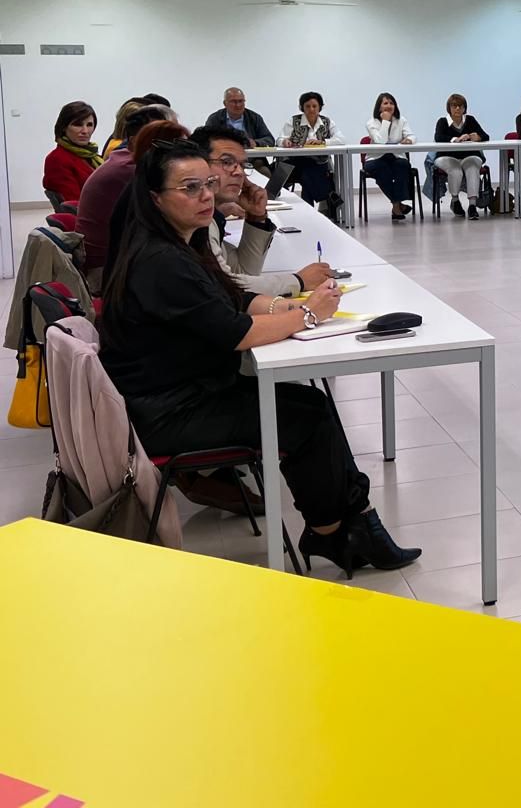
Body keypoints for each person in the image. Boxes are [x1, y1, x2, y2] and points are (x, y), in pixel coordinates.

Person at [98, 140, 420, 575]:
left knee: (312, 404)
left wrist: (286, 309)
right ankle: (335, 530)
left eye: (208, 184)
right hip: (168, 412)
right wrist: (306, 315)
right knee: (305, 420)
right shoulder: (161, 262)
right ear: (155, 198)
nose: (207, 195)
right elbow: (237, 333)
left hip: (181, 391)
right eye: (190, 187)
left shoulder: (177, 243)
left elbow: (231, 297)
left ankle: (349, 523)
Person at [190, 125, 334, 297]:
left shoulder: (213, 217)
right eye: (227, 162)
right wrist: (299, 281)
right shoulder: (192, 219)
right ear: (197, 165)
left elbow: (244, 271)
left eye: (242, 165)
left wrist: (256, 218)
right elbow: (226, 287)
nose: (239, 173)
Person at [77, 104, 177, 279]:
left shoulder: (126, 158)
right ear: (134, 141)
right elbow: (174, 221)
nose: (173, 146)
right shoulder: (133, 169)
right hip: (108, 270)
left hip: (113, 258)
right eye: (160, 138)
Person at [274, 92, 344, 217]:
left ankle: (309, 212)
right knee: (308, 169)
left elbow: (341, 140)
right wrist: (285, 141)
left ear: (320, 107)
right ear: (302, 107)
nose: (311, 109)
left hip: (319, 163)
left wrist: (322, 142)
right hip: (296, 162)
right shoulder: (293, 121)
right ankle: (326, 198)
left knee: (307, 173)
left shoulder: (327, 122)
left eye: (314, 106)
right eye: (307, 106)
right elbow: (279, 140)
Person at [434, 93, 488, 219]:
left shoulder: (470, 120)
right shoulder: (442, 122)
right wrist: (455, 139)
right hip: (447, 157)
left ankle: (472, 206)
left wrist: (476, 137)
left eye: (460, 106)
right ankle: (455, 201)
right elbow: (438, 138)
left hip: (469, 156)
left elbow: (485, 136)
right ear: (449, 108)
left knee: (473, 167)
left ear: (464, 108)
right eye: (454, 106)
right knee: (455, 170)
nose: (457, 109)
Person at [364, 92, 417, 221]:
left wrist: (409, 140)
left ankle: (396, 205)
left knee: (403, 165)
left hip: (395, 156)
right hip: (376, 158)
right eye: (385, 103)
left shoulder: (401, 120)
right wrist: (386, 121)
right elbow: (381, 141)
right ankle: (397, 205)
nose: (389, 105)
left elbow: (412, 135)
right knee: (382, 169)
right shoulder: (371, 123)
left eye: (391, 103)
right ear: (379, 107)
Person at [43, 100, 101, 207]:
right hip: (92, 216)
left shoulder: (92, 156)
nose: (85, 131)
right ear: (64, 127)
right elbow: (73, 204)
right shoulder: (57, 159)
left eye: (89, 125)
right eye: (77, 124)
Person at [204, 87, 274, 149]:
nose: (238, 105)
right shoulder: (215, 118)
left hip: (252, 158)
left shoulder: (254, 118)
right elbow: (206, 141)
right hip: (224, 158)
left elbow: (270, 140)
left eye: (241, 101)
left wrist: (255, 143)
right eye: (233, 101)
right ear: (225, 103)